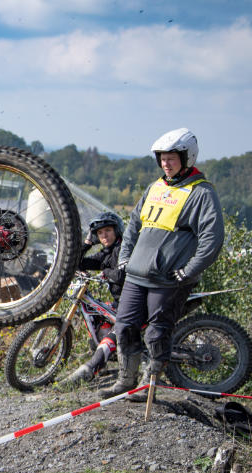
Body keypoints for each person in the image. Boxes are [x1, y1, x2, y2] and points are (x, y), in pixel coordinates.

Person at [99, 128, 225, 401]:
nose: (166, 163)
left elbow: (212, 238)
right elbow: (133, 225)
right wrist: (124, 258)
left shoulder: (201, 193)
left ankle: (148, 387)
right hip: (136, 276)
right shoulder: (155, 187)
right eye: (162, 158)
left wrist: (190, 270)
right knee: (124, 327)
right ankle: (125, 380)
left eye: (171, 158)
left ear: (186, 158)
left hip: (169, 280)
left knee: (156, 334)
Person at [59, 212, 126, 385]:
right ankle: (110, 360)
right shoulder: (106, 253)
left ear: (117, 231)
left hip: (135, 306)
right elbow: (79, 261)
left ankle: (89, 370)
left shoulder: (124, 249)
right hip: (121, 304)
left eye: (108, 231)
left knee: (111, 336)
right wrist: (88, 243)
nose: (104, 236)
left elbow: (121, 275)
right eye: (100, 233)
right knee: (97, 317)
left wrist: (106, 273)